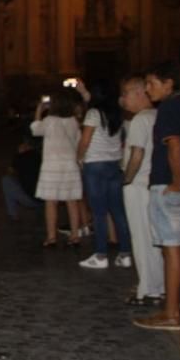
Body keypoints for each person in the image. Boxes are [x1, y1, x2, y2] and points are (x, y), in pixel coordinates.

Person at [135, 62, 180, 330]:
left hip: (168, 185)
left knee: (171, 249)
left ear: (168, 84)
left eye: (151, 83)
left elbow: (174, 143)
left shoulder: (168, 108)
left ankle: (170, 314)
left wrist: (176, 181)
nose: (147, 89)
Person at [76, 81, 132, 269]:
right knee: (117, 210)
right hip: (114, 164)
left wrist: (79, 158)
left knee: (99, 212)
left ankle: (101, 255)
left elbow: (85, 139)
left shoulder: (93, 114)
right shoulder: (118, 114)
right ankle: (125, 254)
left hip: (95, 165)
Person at [120, 75, 164, 305]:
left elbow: (137, 154)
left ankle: (149, 290)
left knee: (141, 239)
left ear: (139, 93)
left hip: (138, 186)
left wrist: (126, 180)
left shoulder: (139, 120)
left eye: (126, 93)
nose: (123, 99)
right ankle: (160, 285)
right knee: (155, 239)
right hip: (153, 184)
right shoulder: (157, 116)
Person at [30, 91, 83, 247]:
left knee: (51, 202)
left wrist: (39, 111)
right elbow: (78, 141)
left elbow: (35, 130)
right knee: (71, 201)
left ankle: (51, 237)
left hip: (51, 166)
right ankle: (75, 236)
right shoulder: (74, 122)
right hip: (70, 165)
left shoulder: (50, 120)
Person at [1, 136, 42, 220]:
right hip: (46, 199)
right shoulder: (41, 156)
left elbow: (9, 172)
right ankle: (40, 210)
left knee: (6, 180)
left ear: (26, 144)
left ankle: (12, 214)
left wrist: (18, 154)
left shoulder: (21, 157)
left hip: (30, 199)